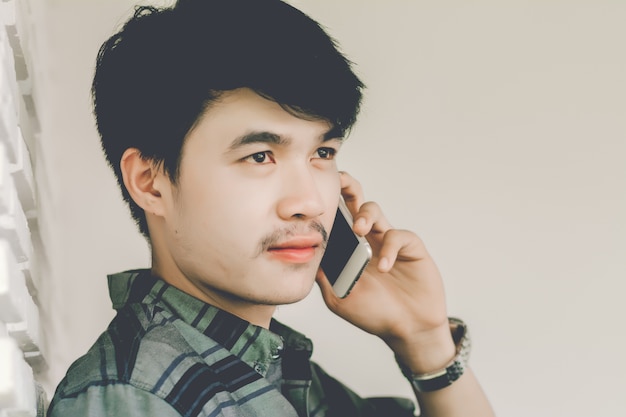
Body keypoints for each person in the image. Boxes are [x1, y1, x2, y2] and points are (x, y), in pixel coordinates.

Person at [47, 0, 494, 415]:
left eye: (323, 152)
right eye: (260, 156)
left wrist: (425, 341)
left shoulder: (271, 365)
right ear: (151, 183)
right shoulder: (134, 398)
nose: (311, 202)